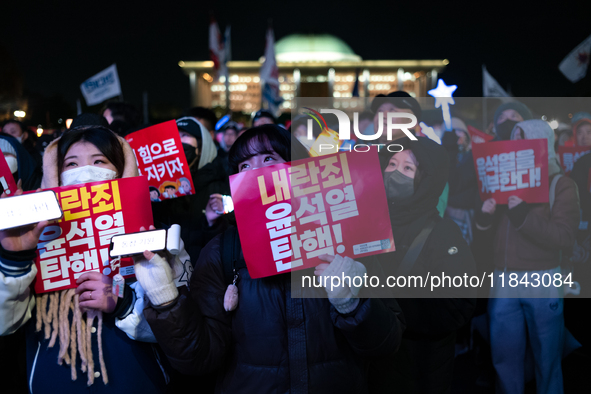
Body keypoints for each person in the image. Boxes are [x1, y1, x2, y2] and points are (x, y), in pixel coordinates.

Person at [140, 125, 405, 393]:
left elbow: (387, 343)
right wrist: (166, 301)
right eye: (244, 166)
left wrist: (353, 303)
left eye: (269, 159)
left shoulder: (346, 236)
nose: (256, 171)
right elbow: (201, 358)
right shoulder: (223, 250)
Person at [0, 126, 179, 393]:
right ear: (55, 174)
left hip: (136, 382)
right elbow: (5, 323)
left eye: (99, 161)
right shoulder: (32, 238)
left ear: (120, 168)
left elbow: (179, 334)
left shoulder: (155, 235)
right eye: (71, 163)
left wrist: (124, 303)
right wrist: (15, 258)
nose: (85, 172)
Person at [476, 120, 580, 394]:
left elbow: (564, 237)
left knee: (547, 359)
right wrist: (484, 219)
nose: (518, 143)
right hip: (503, 279)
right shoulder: (503, 181)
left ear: (542, 141)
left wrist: (523, 218)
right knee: (503, 358)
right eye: (515, 138)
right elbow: (491, 238)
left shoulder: (561, 185)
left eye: (525, 138)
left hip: (542, 278)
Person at [377, 136, 476, 393]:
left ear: (427, 179)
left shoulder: (443, 233)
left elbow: (458, 302)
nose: (395, 172)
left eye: (408, 168)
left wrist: (389, 308)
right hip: (371, 365)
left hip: (418, 368)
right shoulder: (367, 224)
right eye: (391, 164)